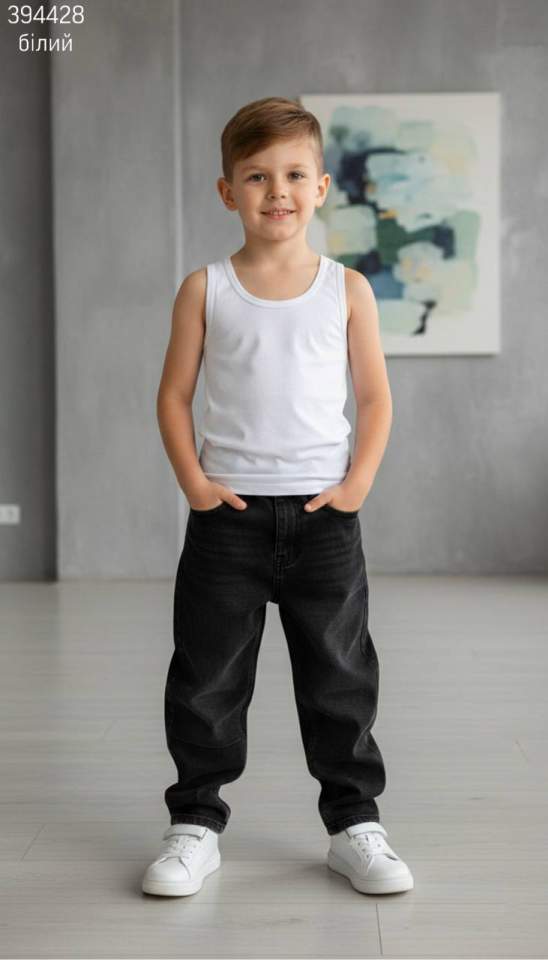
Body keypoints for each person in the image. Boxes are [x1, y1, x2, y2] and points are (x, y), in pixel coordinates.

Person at [142, 96, 413, 898]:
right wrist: (195, 484)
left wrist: (357, 483)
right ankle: (195, 823)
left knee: (340, 676)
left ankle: (355, 824)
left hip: (325, 520)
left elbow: (375, 398)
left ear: (321, 187)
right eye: (257, 176)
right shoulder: (206, 289)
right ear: (228, 191)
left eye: (295, 175)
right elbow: (173, 397)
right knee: (207, 677)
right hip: (228, 522)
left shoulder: (347, 289)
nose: (278, 191)